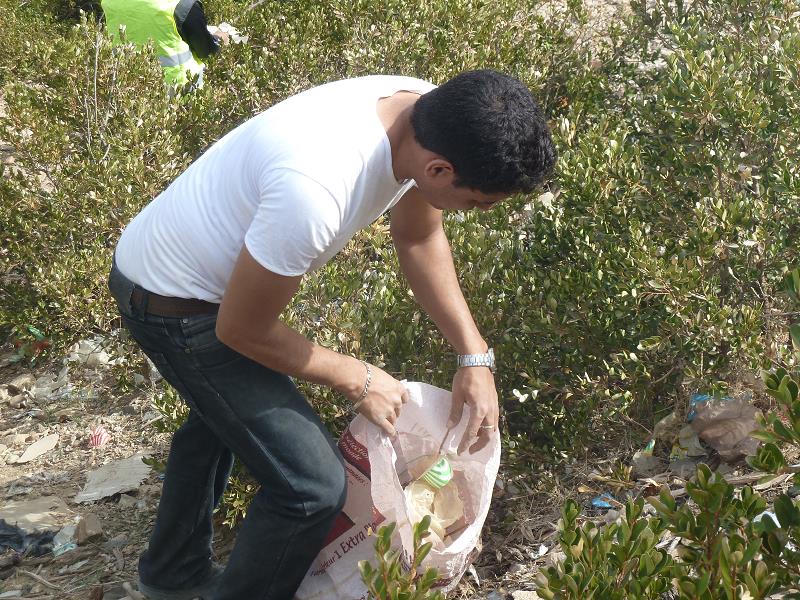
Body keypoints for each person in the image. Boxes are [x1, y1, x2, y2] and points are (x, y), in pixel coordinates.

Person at [107, 70, 556, 600]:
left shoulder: (427, 112)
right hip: (173, 305)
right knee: (311, 487)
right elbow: (241, 328)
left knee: (220, 418)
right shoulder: (317, 187)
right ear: (439, 169)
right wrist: (357, 377)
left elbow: (417, 235)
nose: (477, 214)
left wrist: (473, 357)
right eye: (480, 203)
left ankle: (171, 574)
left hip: (194, 278)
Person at [101, 0, 220, 91]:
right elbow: (206, 51)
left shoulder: (109, 2)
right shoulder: (182, 4)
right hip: (178, 90)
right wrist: (218, 38)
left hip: (126, 87)